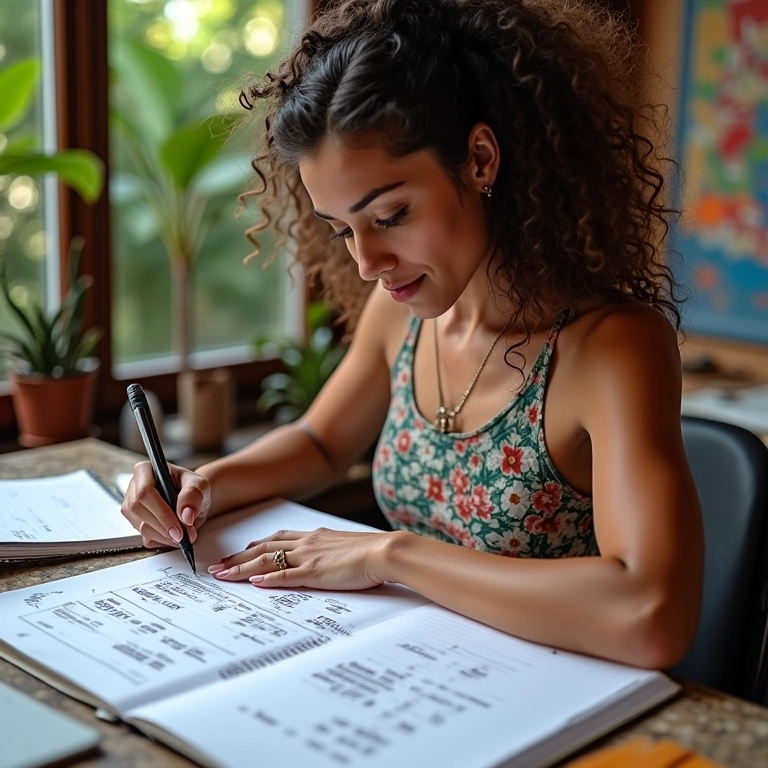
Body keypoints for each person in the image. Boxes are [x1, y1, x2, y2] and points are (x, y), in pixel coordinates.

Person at [122, 0, 703, 669]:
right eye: (343, 230)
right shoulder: (402, 312)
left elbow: (651, 614)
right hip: (418, 675)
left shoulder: (612, 348)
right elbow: (321, 442)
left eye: (391, 215)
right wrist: (199, 488)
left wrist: (389, 555)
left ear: (480, 159)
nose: (367, 264)